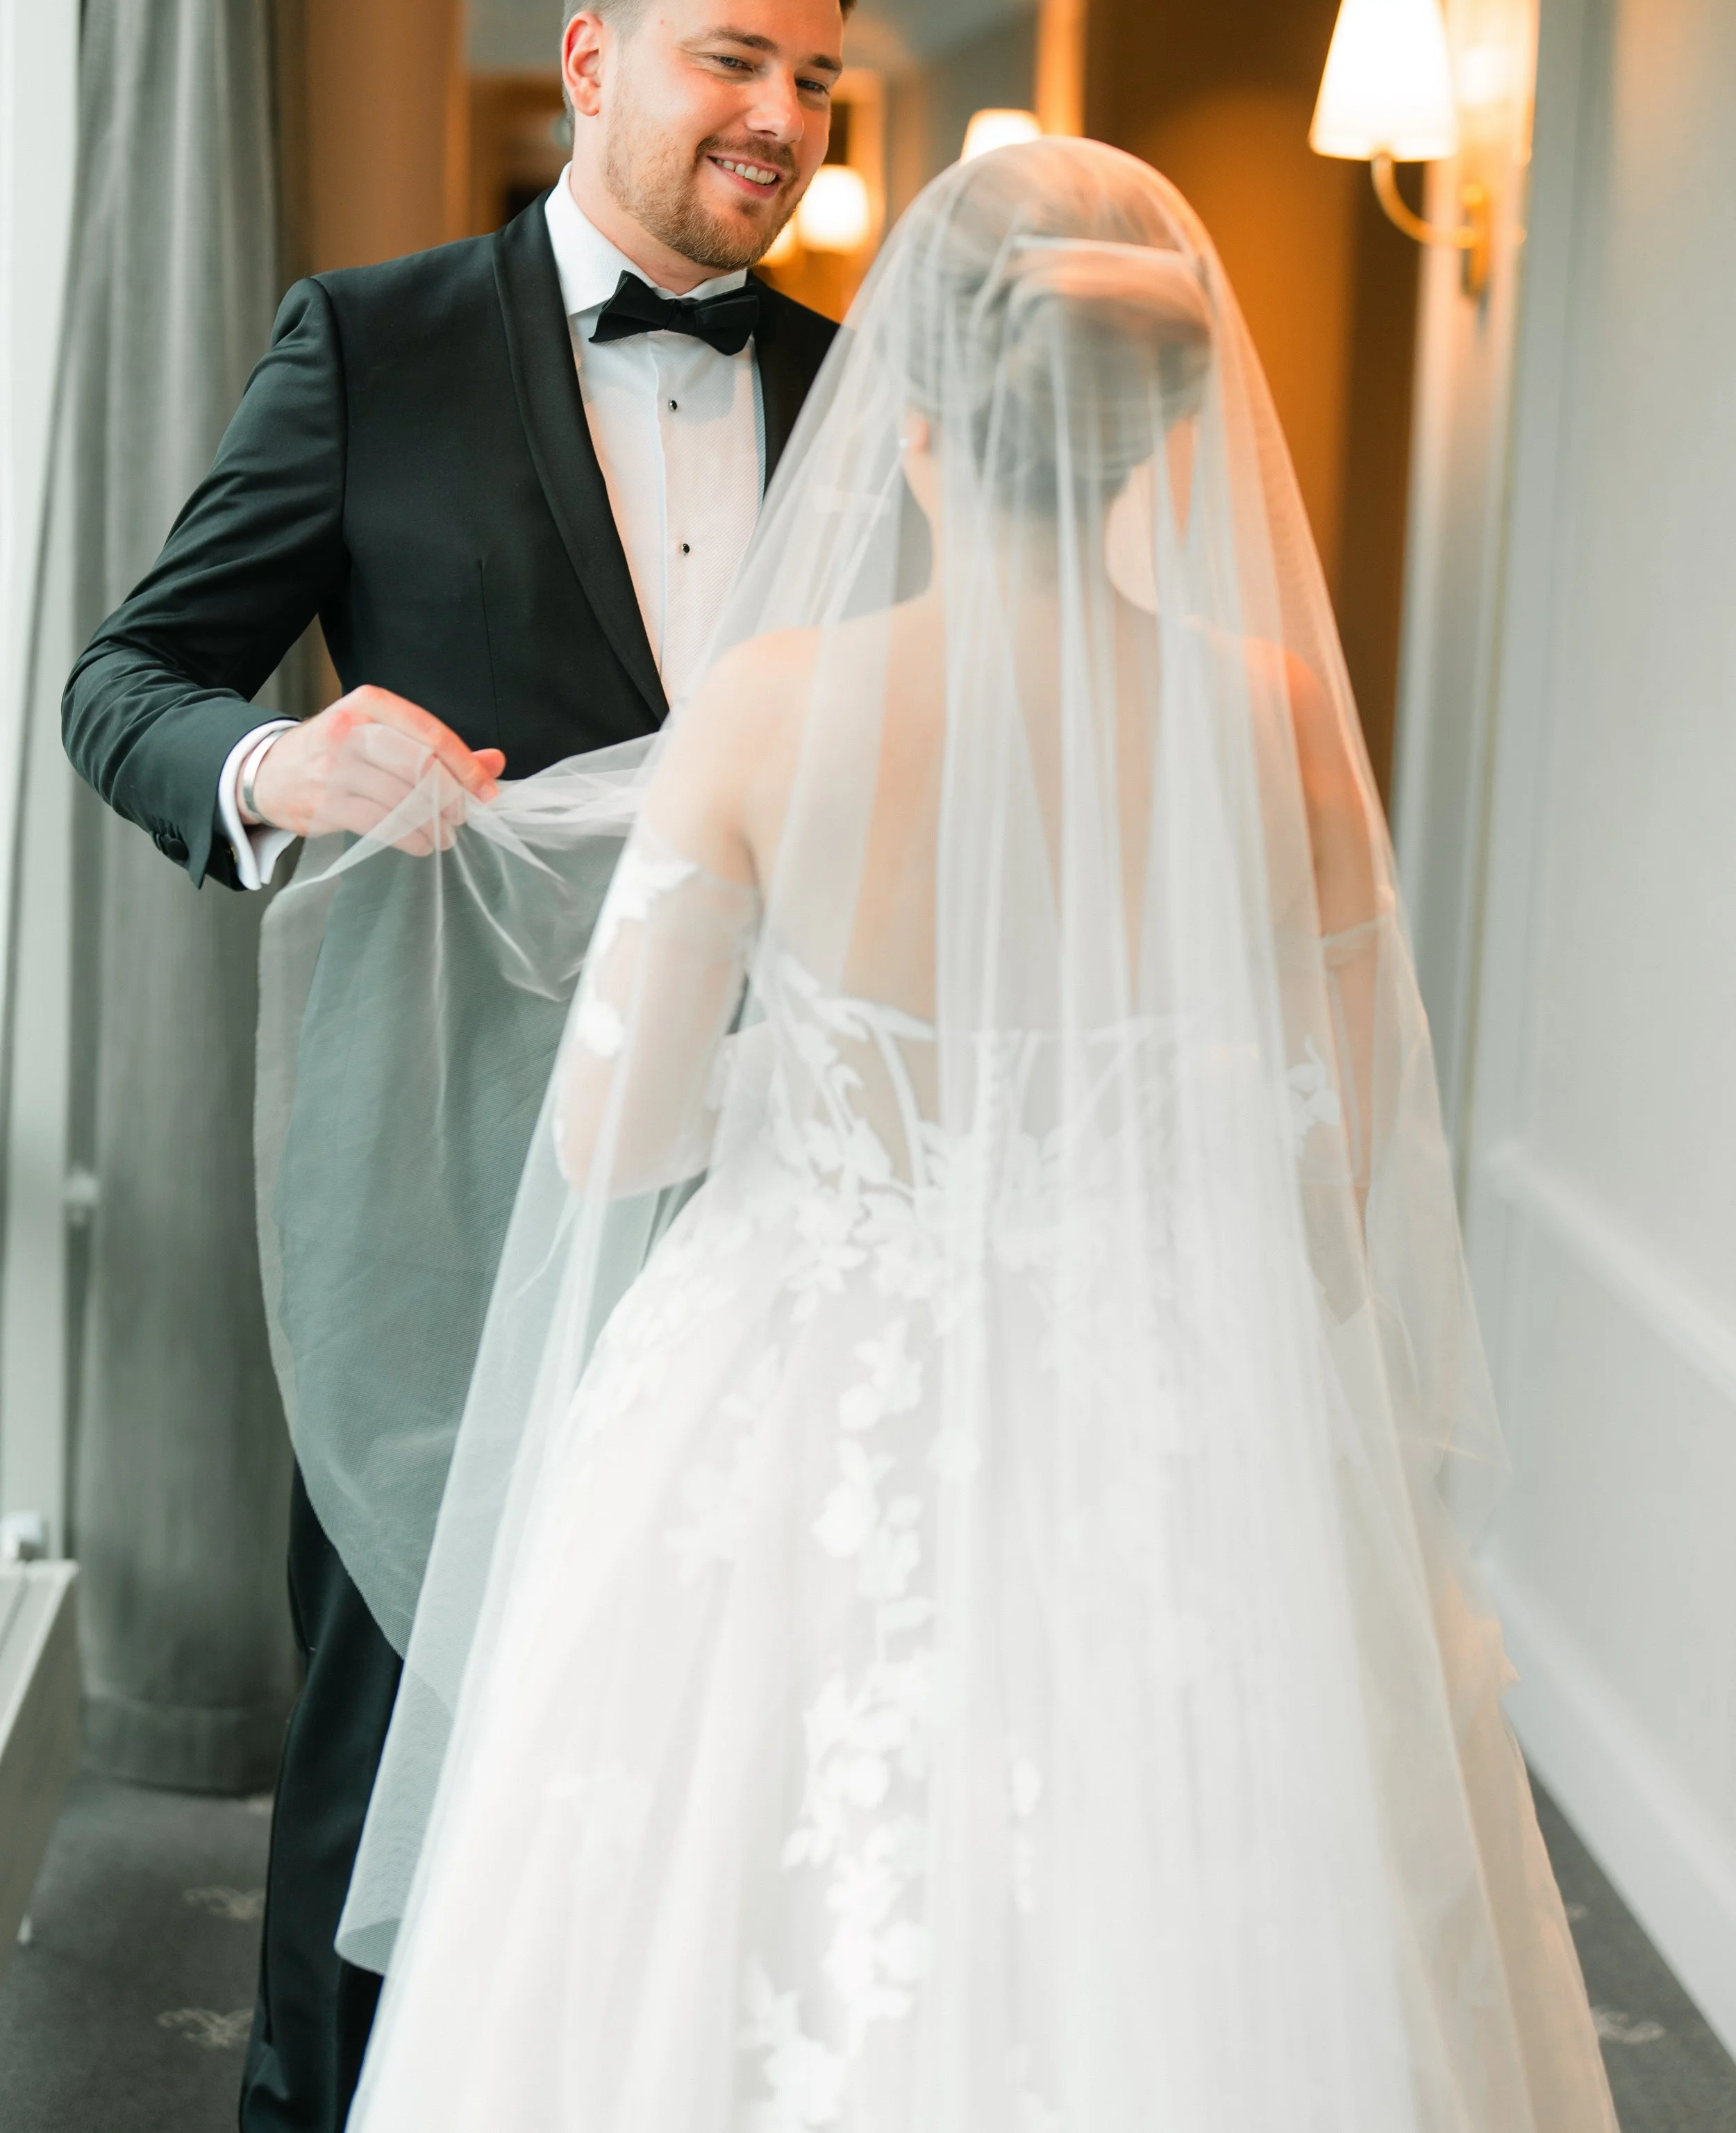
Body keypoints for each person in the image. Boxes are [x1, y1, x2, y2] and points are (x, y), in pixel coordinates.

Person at [298, 135, 1617, 2131]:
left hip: (806, 1379)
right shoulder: (1269, 718)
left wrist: (801, 1085)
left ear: (907, 423)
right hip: (1165, 1383)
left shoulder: (765, 711)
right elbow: (1334, 1165)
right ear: (1162, 434)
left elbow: (615, 1140)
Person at [61, 0, 856, 2133]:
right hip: (448, 1193)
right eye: (734, 57)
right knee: (392, 1733)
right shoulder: (372, 338)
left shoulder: (861, 385)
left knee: (722, 1745)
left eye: (812, 73)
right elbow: (128, 678)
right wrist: (272, 758)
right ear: (594, 59)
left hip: (791, 1188)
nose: (781, 115)